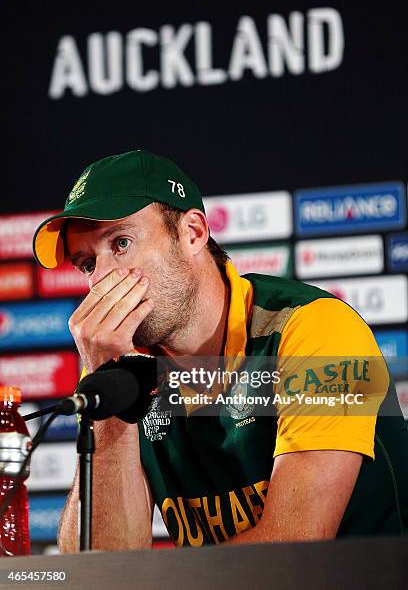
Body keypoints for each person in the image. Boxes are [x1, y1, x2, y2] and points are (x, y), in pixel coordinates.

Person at [33, 149, 408, 551]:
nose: (101, 280)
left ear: (192, 233)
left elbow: (297, 549)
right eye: (87, 264)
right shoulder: (125, 369)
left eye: (121, 243)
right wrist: (106, 383)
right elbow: (99, 566)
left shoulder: (315, 327)